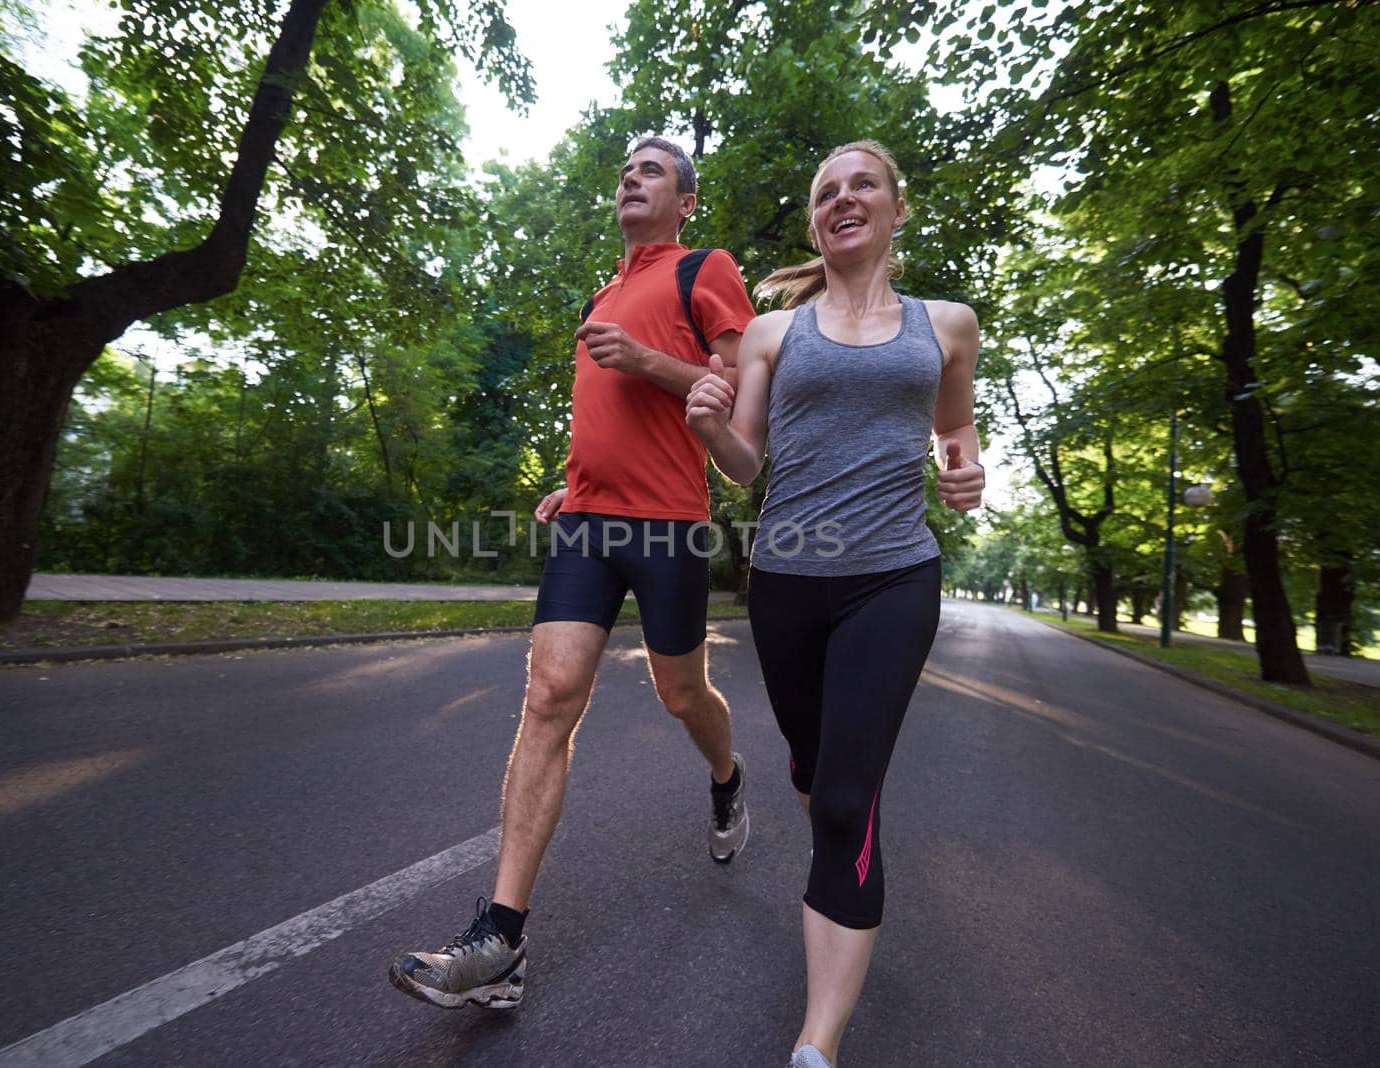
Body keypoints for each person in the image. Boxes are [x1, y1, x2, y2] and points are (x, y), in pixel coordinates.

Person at [388, 136, 758, 1010]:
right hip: (589, 524)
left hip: (671, 526)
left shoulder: (704, 270)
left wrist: (646, 359)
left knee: (680, 695)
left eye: (653, 170)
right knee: (550, 694)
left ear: (685, 200)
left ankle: (727, 777)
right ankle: (501, 943)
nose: (631, 178)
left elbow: (735, 395)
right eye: (626, 170)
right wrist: (576, 481)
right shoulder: (602, 293)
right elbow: (607, 416)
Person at [685, 140, 984, 1067]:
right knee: (817, 776)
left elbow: (956, 426)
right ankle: (827, 828)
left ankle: (818, 1043)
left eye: (862, 186)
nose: (843, 200)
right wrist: (705, 426)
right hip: (785, 582)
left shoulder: (947, 324)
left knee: (851, 801)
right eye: (826, 193)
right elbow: (746, 466)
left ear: (896, 208)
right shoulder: (777, 334)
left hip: (895, 577)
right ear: (816, 222)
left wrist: (963, 472)